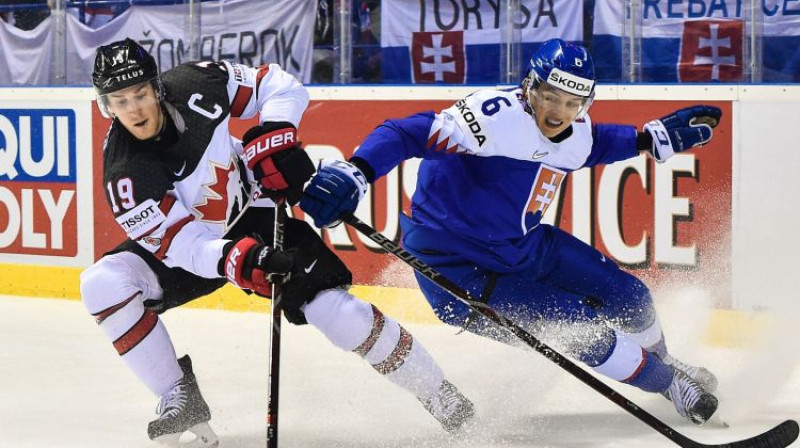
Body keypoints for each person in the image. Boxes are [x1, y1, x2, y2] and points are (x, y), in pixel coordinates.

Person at [300, 38, 723, 425]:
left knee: (631, 296)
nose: (558, 112)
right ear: (528, 89)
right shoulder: (488, 121)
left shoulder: (575, 131)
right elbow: (404, 133)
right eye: (550, 97)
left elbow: (596, 144)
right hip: (459, 270)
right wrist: (357, 172)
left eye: (573, 102)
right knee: (580, 330)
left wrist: (647, 140)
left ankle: (665, 362)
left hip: (523, 247)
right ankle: (668, 384)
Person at [80, 38, 474, 446]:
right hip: (197, 250)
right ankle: (177, 394)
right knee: (102, 283)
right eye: (120, 100)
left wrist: (276, 133)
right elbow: (188, 248)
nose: (134, 109)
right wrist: (236, 258)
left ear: (157, 87)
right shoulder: (125, 177)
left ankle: (438, 392)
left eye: (140, 94)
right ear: (106, 105)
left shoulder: (199, 82)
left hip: (255, 212)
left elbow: (279, 84)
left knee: (336, 312)